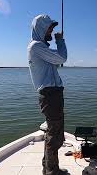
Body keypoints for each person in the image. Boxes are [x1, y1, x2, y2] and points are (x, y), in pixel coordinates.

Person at [27, 14, 68, 175]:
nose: (52, 30)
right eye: (50, 27)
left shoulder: (40, 48)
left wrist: (57, 51)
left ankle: (49, 168)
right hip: (51, 96)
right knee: (54, 135)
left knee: (55, 133)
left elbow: (57, 62)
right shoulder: (36, 46)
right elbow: (62, 57)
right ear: (42, 28)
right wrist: (60, 41)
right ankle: (52, 171)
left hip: (53, 95)